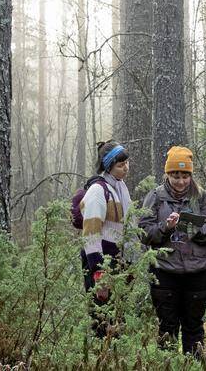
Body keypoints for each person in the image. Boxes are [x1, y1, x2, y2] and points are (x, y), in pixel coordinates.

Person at [139, 146, 206, 355]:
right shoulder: (155, 197)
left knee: (194, 327)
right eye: (176, 176)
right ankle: (167, 364)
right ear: (167, 174)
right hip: (164, 272)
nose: (181, 181)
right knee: (167, 327)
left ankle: (194, 364)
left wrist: (193, 228)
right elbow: (143, 232)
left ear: (191, 175)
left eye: (185, 176)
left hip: (197, 272)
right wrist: (165, 227)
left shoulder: (201, 197)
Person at [79, 140, 133, 337]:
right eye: (120, 165)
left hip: (118, 264)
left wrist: (130, 263)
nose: (125, 168)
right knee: (102, 319)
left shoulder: (120, 188)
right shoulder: (98, 191)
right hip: (101, 265)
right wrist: (99, 274)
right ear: (108, 166)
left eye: (127, 163)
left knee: (118, 319)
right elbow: (90, 234)